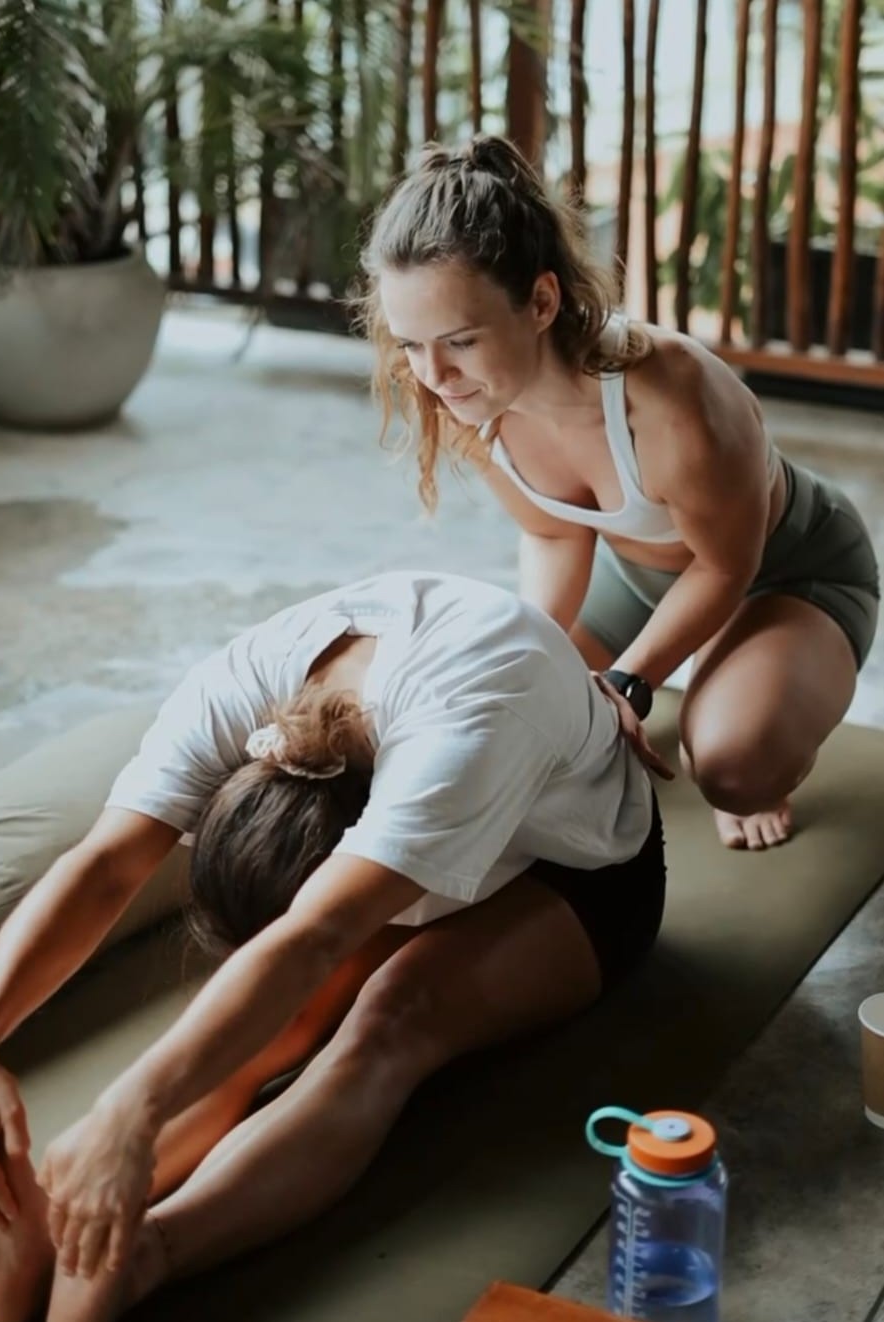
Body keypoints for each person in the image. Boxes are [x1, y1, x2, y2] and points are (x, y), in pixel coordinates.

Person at [0, 569, 669, 1322]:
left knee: (388, 1021)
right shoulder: (240, 684)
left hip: (575, 871)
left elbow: (316, 935)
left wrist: (130, 1114)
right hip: (416, 811)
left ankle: (150, 1251)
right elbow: (108, 863)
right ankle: (51, 1232)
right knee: (266, 1024)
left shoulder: (466, 726)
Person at [357, 134, 880, 852]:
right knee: (502, 713)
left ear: (542, 301)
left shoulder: (670, 393)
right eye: (412, 345)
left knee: (731, 765)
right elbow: (553, 532)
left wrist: (629, 679)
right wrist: (534, 655)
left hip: (784, 569)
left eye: (461, 340)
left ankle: (751, 704)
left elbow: (726, 565)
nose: (433, 374)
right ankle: (717, 674)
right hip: (634, 578)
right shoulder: (467, 395)